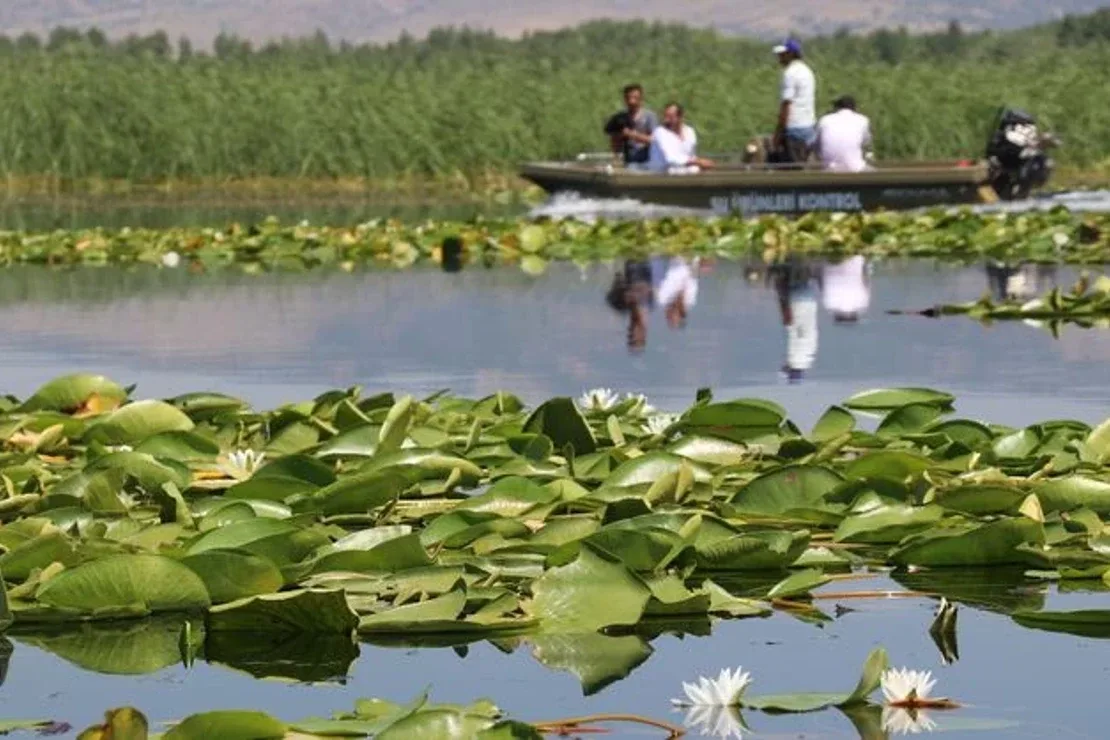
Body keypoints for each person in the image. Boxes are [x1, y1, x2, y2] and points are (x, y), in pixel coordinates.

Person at [772, 39, 817, 164]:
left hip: (794, 127)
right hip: (809, 126)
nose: (779, 58)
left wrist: (778, 133)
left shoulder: (790, 73)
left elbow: (786, 105)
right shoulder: (807, 71)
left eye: (782, 55)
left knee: (793, 168)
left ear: (791, 54)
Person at [647, 103, 714, 174]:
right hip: (661, 176)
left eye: (670, 117)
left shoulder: (690, 132)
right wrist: (698, 162)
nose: (666, 120)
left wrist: (702, 166)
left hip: (684, 175)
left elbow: (691, 156)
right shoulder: (660, 132)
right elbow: (671, 158)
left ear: (680, 117)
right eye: (665, 116)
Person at [603, 84, 658, 167]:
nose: (632, 101)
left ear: (641, 98)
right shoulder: (619, 118)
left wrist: (633, 135)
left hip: (647, 158)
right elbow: (613, 138)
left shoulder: (650, 116)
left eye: (635, 98)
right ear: (625, 99)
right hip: (628, 158)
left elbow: (654, 140)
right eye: (629, 98)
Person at [816, 96, 873, 172]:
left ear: (837, 108)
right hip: (856, 169)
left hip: (830, 169)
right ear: (854, 108)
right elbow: (866, 144)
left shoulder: (824, 120)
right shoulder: (863, 120)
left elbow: (818, 145)